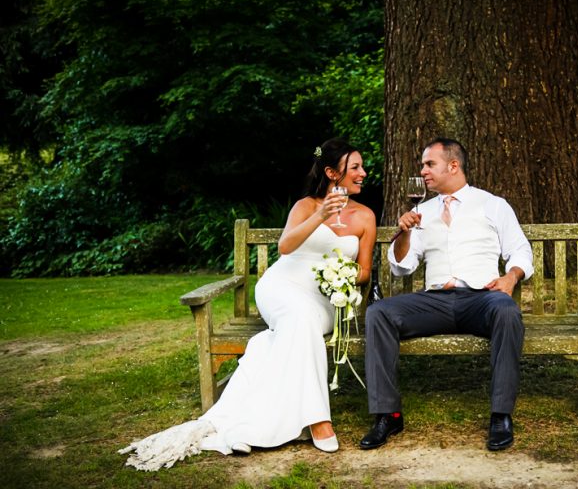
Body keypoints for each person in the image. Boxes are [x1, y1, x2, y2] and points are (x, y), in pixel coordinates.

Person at [120, 138, 376, 471]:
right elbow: (285, 247)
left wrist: (340, 274)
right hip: (281, 288)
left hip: (325, 299)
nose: (363, 173)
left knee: (293, 331)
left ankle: (247, 424)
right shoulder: (306, 206)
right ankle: (317, 419)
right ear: (331, 172)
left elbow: (365, 271)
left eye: (361, 166)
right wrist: (321, 214)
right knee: (298, 320)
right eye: (354, 167)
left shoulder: (365, 217)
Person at [359, 137, 533, 452]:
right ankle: (388, 414)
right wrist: (405, 234)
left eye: (430, 164)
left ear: (453, 166)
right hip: (436, 302)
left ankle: (500, 415)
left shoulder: (492, 204)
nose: (423, 171)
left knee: (507, 310)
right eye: (422, 165)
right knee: (379, 312)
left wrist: (510, 277)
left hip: (483, 298)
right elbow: (402, 267)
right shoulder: (422, 211)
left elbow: (520, 250)